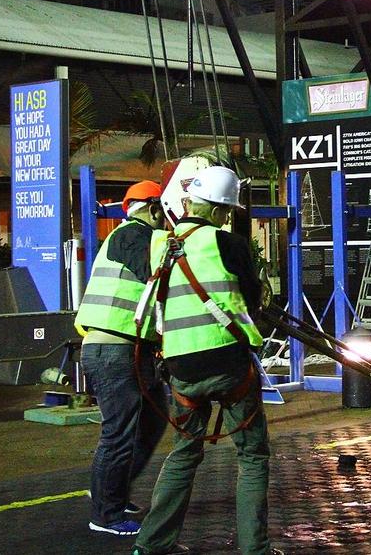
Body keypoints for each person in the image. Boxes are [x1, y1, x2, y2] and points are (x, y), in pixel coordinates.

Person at [133, 165, 281, 555]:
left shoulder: (158, 245)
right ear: (219, 210)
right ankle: (255, 549)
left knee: (183, 453)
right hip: (229, 363)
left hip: (181, 367)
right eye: (227, 212)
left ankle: (151, 545)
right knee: (251, 455)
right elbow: (251, 299)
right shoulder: (227, 242)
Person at [75, 180, 168, 537]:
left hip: (130, 350)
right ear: (151, 207)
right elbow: (156, 273)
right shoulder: (131, 234)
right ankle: (106, 513)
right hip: (113, 349)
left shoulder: (135, 236)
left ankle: (111, 490)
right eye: (162, 209)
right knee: (118, 434)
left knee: (152, 423)